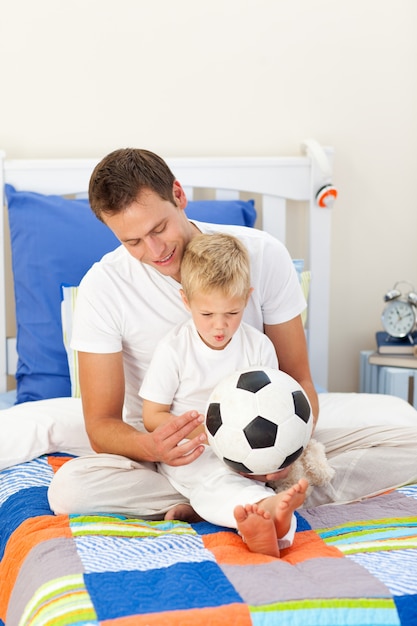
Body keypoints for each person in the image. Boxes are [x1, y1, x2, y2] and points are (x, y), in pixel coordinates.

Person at [47, 147, 417, 518]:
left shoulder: (262, 255)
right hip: (170, 456)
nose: (154, 250)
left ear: (178, 195)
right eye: (133, 242)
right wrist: (155, 449)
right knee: (70, 491)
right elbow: (101, 427)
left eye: (159, 228)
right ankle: (248, 499)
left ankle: (228, 499)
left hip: (264, 441)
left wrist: (283, 450)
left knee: (409, 445)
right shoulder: (104, 287)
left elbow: (298, 379)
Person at [140, 232, 308, 557]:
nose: (220, 326)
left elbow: (274, 407)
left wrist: (276, 456)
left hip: (246, 450)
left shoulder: (258, 346)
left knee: (247, 476)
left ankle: (238, 510)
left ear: (247, 298)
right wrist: (202, 432)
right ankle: (270, 515)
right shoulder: (174, 350)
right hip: (193, 452)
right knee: (212, 481)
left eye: (231, 313)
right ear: (186, 301)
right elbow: (152, 415)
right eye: (207, 315)